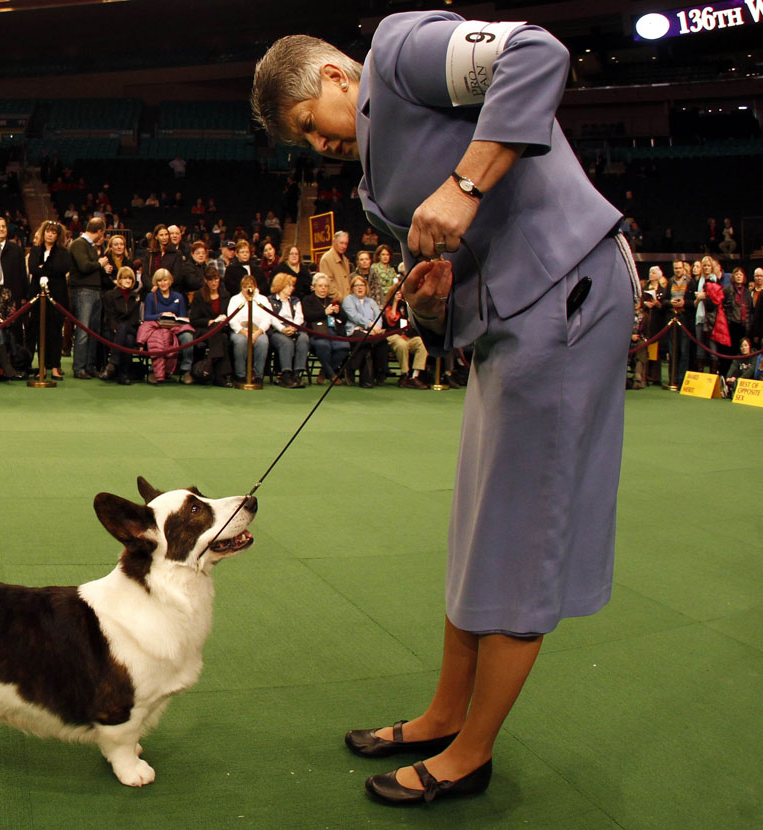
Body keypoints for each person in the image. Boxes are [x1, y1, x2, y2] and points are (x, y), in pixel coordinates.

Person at [254, 12, 636, 805]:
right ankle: (443, 713)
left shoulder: (399, 54)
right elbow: (445, 278)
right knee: (477, 524)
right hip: (508, 327)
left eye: (308, 127)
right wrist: (434, 298)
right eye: (302, 146)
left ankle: (473, 751)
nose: (317, 148)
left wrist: (465, 186)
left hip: (567, 289)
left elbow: (536, 53)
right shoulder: (369, 189)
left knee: (522, 531)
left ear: (333, 80)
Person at [27, 220, 71, 381]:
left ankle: (55, 367)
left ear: (58, 235)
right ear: (43, 232)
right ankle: (42, 367)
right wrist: (46, 269)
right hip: (38, 297)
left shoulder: (63, 252)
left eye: (54, 232)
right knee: (41, 333)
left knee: (55, 332)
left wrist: (43, 269)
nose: (50, 234)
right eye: (48, 231)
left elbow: (62, 268)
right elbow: (32, 268)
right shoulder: (36, 249)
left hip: (57, 296)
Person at [68, 216, 110, 379]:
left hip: (94, 290)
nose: (103, 236)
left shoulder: (90, 246)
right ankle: (79, 367)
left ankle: (90, 366)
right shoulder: (79, 244)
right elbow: (84, 266)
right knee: (83, 330)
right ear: (100, 231)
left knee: (94, 331)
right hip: (83, 291)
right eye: (103, 233)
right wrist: (100, 264)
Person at [137, 268, 196, 384]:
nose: (163, 283)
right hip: (157, 327)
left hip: (175, 327)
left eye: (165, 280)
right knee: (158, 339)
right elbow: (147, 317)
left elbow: (183, 316)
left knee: (188, 337)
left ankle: (186, 370)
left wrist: (174, 317)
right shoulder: (150, 297)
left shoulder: (178, 297)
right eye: (159, 281)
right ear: (156, 282)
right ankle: (155, 370)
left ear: (170, 281)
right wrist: (162, 315)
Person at [188, 265, 234, 387]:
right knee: (222, 338)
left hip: (222, 327)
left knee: (219, 330)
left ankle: (209, 364)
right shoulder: (199, 295)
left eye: (216, 279)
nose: (214, 283)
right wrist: (209, 322)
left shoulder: (226, 295)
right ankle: (221, 376)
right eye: (211, 280)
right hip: (205, 330)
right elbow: (194, 319)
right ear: (206, 280)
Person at [301, 273, 349, 382]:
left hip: (334, 332)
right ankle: (332, 375)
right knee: (323, 345)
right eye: (320, 286)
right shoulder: (308, 300)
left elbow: (344, 318)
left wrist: (338, 312)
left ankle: (325, 370)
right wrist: (324, 312)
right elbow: (307, 316)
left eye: (326, 286)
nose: (323, 288)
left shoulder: (332, 300)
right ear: (314, 287)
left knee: (344, 346)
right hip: (318, 333)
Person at [226, 273, 272, 384]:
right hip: (240, 331)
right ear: (241, 288)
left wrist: (258, 333)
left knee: (263, 342)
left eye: (250, 286)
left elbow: (267, 318)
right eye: (245, 287)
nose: (248, 289)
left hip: (258, 330)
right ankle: (240, 375)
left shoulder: (263, 299)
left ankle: (258, 375)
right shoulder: (235, 300)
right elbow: (232, 320)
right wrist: (244, 333)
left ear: (255, 287)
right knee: (240, 342)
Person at [342, 274, 387, 387]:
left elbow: (378, 316)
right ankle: (363, 376)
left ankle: (379, 373)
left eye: (362, 285)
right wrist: (370, 326)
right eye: (356, 285)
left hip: (372, 332)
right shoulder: (348, 300)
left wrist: (376, 328)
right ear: (352, 288)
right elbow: (354, 316)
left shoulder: (371, 302)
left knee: (381, 342)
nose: (360, 288)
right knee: (366, 341)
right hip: (355, 331)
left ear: (366, 287)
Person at [100, 266, 142, 385]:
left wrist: (119, 328)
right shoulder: (110, 295)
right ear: (119, 280)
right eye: (124, 278)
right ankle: (123, 374)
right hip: (112, 330)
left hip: (130, 329)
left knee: (124, 328)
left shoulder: (135, 297)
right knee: (127, 341)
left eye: (130, 278)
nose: (128, 280)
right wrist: (114, 328)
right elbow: (110, 316)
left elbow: (134, 320)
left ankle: (112, 364)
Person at [267, 272, 310, 388]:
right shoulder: (270, 300)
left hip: (294, 327)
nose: (292, 288)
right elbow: (271, 318)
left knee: (304, 339)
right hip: (278, 330)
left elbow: (300, 317)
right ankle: (286, 374)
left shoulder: (295, 300)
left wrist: (293, 327)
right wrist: (283, 329)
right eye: (289, 285)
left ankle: (297, 373)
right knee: (286, 342)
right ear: (281, 286)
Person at [318, 230, 351, 302]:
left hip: (347, 302)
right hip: (335, 303)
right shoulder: (327, 259)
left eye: (346, 243)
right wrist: (341, 299)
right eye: (341, 243)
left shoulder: (345, 260)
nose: (344, 246)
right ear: (334, 242)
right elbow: (328, 285)